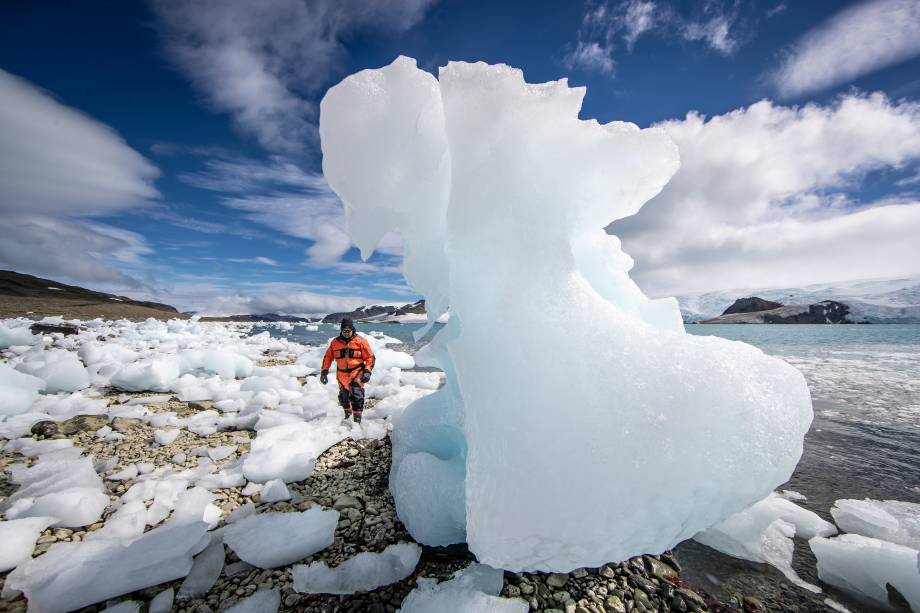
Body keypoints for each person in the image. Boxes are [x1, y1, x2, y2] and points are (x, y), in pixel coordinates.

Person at [320, 319, 375, 423]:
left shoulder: (360, 341)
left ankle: (357, 421)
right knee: (343, 397)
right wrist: (324, 372)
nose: (346, 333)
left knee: (356, 394)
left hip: (357, 371)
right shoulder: (335, 342)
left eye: (348, 331)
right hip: (341, 374)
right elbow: (328, 357)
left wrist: (367, 371)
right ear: (341, 330)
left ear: (352, 330)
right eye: (344, 331)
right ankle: (348, 416)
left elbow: (370, 358)